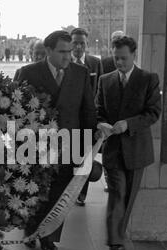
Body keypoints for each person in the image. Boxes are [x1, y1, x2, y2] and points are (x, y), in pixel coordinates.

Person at [15, 31, 97, 250]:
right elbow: (16, 110)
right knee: (36, 190)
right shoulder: (28, 73)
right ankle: (31, 230)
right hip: (36, 145)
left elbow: (88, 110)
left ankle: (49, 237)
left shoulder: (80, 73)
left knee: (60, 193)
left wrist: (87, 148)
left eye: (70, 51)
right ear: (48, 51)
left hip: (70, 144)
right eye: (62, 52)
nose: (68, 56)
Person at [95, 36, 161, 250]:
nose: (120, 63)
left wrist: (128, 124)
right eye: (116, 58)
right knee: (117, 192)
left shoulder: (148, 79)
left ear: (134, 55)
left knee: (129, 195)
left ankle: (119, 234)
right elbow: (98, 110)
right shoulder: (105, 80)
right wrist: (101, 123)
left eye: (123, 58)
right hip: (113, 150)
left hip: (137, 150)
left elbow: (153, 113)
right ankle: (115, 239)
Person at [70, 28, 104, 207]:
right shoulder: (65, 62)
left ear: (86, 44)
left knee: (85, 158)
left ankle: (81, 194)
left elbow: (101, 90)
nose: (78, 46)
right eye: (75, 42)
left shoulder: (95, 63)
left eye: (82, 43)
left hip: (88, 120)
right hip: (68, 120)